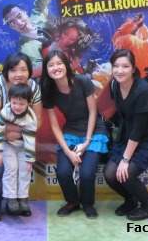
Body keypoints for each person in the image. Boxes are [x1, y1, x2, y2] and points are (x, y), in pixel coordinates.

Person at [40, 50, 109, 219]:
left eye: (59, 63)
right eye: (51, 65)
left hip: (94, 131)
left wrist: (87, 141)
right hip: (70, 131)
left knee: (86, 173)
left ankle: (87, 204)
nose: (55, 68)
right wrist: (68, 151)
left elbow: (93, 112)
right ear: (46, 69)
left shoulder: (83, 82)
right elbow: (55, 126)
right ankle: (72, 201)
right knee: (63, 172)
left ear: (66, 65)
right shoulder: (49, 91)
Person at [0, 52, 42, 222]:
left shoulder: (33, 87)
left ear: (29, 72)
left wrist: (17, 133)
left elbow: (38, 121)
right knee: (2, 163)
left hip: (20, 130)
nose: (18, 74)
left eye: (23, 70)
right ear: (6, 71)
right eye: (13, 70)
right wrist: (12, 131)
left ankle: (16, 202)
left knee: (23, 165)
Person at [104, 49, 148, 221]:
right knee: (110, 175)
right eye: (116, 66)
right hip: (129, 134)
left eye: (125, 66)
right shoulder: (114, 85)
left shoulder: (142, 90)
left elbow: (139, 129)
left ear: (133, 69)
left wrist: (125, 160)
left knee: (127, 174)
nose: (120, 70)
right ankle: (130, 200)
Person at [0, 83, 37, 217]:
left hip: (23, 145)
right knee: (11, 169)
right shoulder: (4, 112)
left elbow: (30, 138)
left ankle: (23, 198)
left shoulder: (30, 117)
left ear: (29, 103)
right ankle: (11, 198)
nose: (17, 106)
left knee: (25, 170)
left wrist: (30, 160)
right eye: (14, 102)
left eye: (21, 104)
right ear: (9, 100)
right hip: (8, 144)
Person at [3, 0, 58, 78]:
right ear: (12, 27)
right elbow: (39, 71)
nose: (20, 23)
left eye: (19, 16)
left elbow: (40, 2)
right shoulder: (26, 48)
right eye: (13, 22)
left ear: (25, 12)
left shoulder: (36, 17)